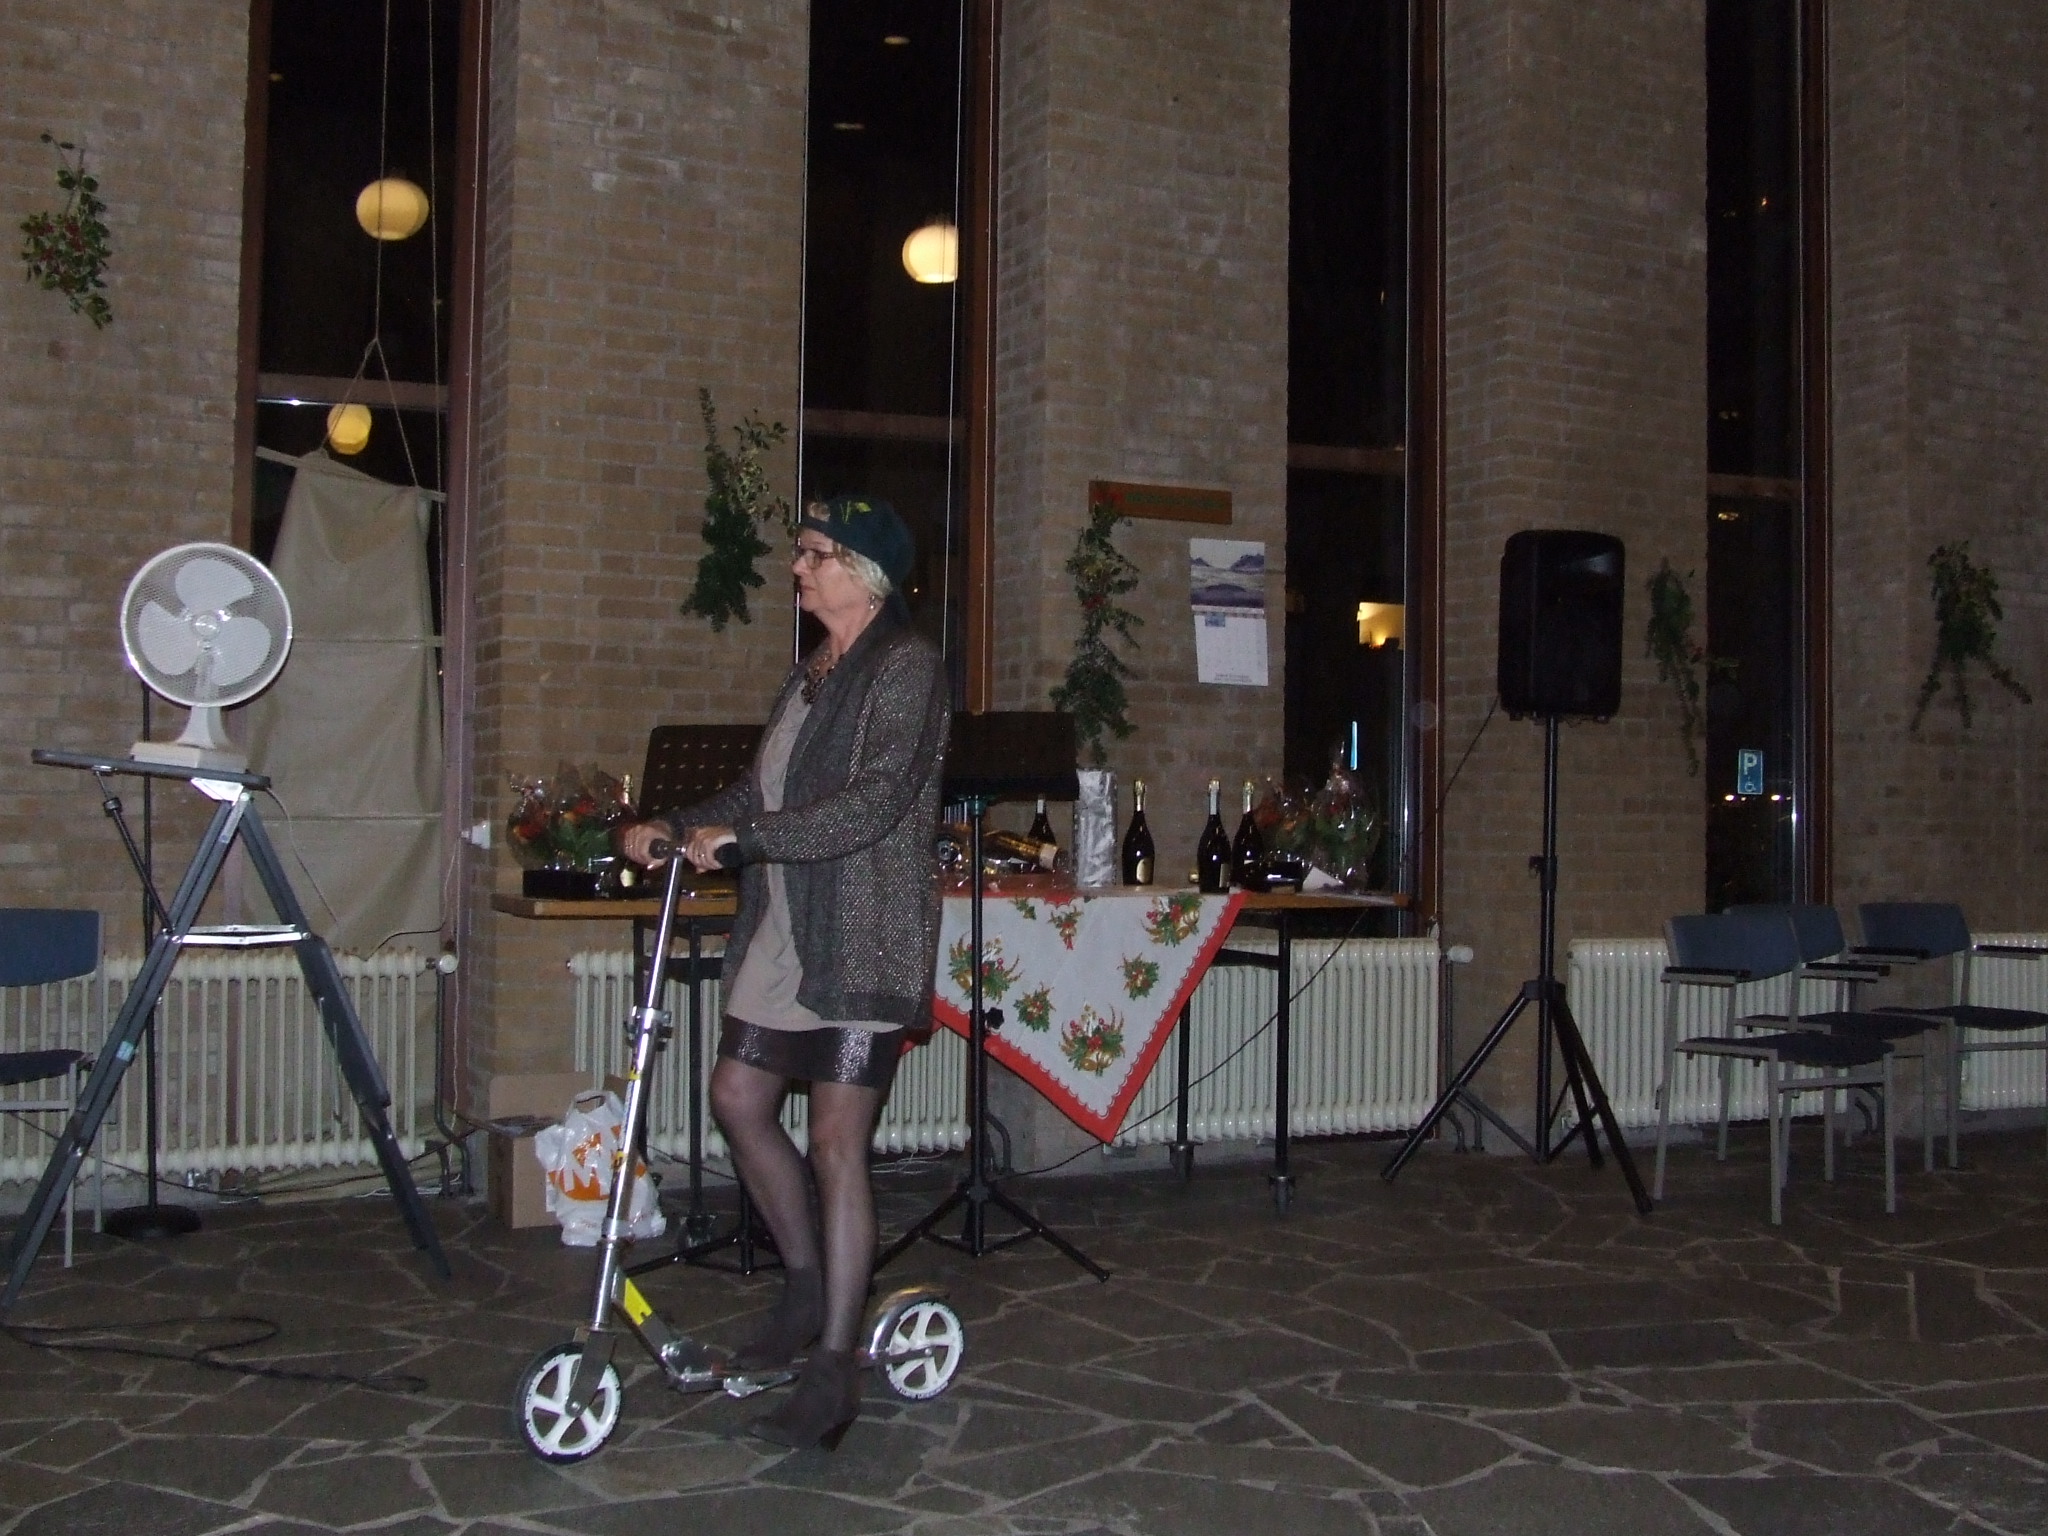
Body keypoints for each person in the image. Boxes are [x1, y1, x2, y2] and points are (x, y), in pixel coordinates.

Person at [620, 495, 948, 1450]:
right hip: (788, 924)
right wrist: (678, 824)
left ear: (864, 573)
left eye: (814, 554)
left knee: (838, 1143)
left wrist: (748, 839)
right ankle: (806, 1287)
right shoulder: (810, 674)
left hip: (862, 931)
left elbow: (875, 801)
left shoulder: (905, 666)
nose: (798, 568)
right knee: (737, 1096)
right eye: (800, 553)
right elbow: (754, 790)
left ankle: (835, 1366)